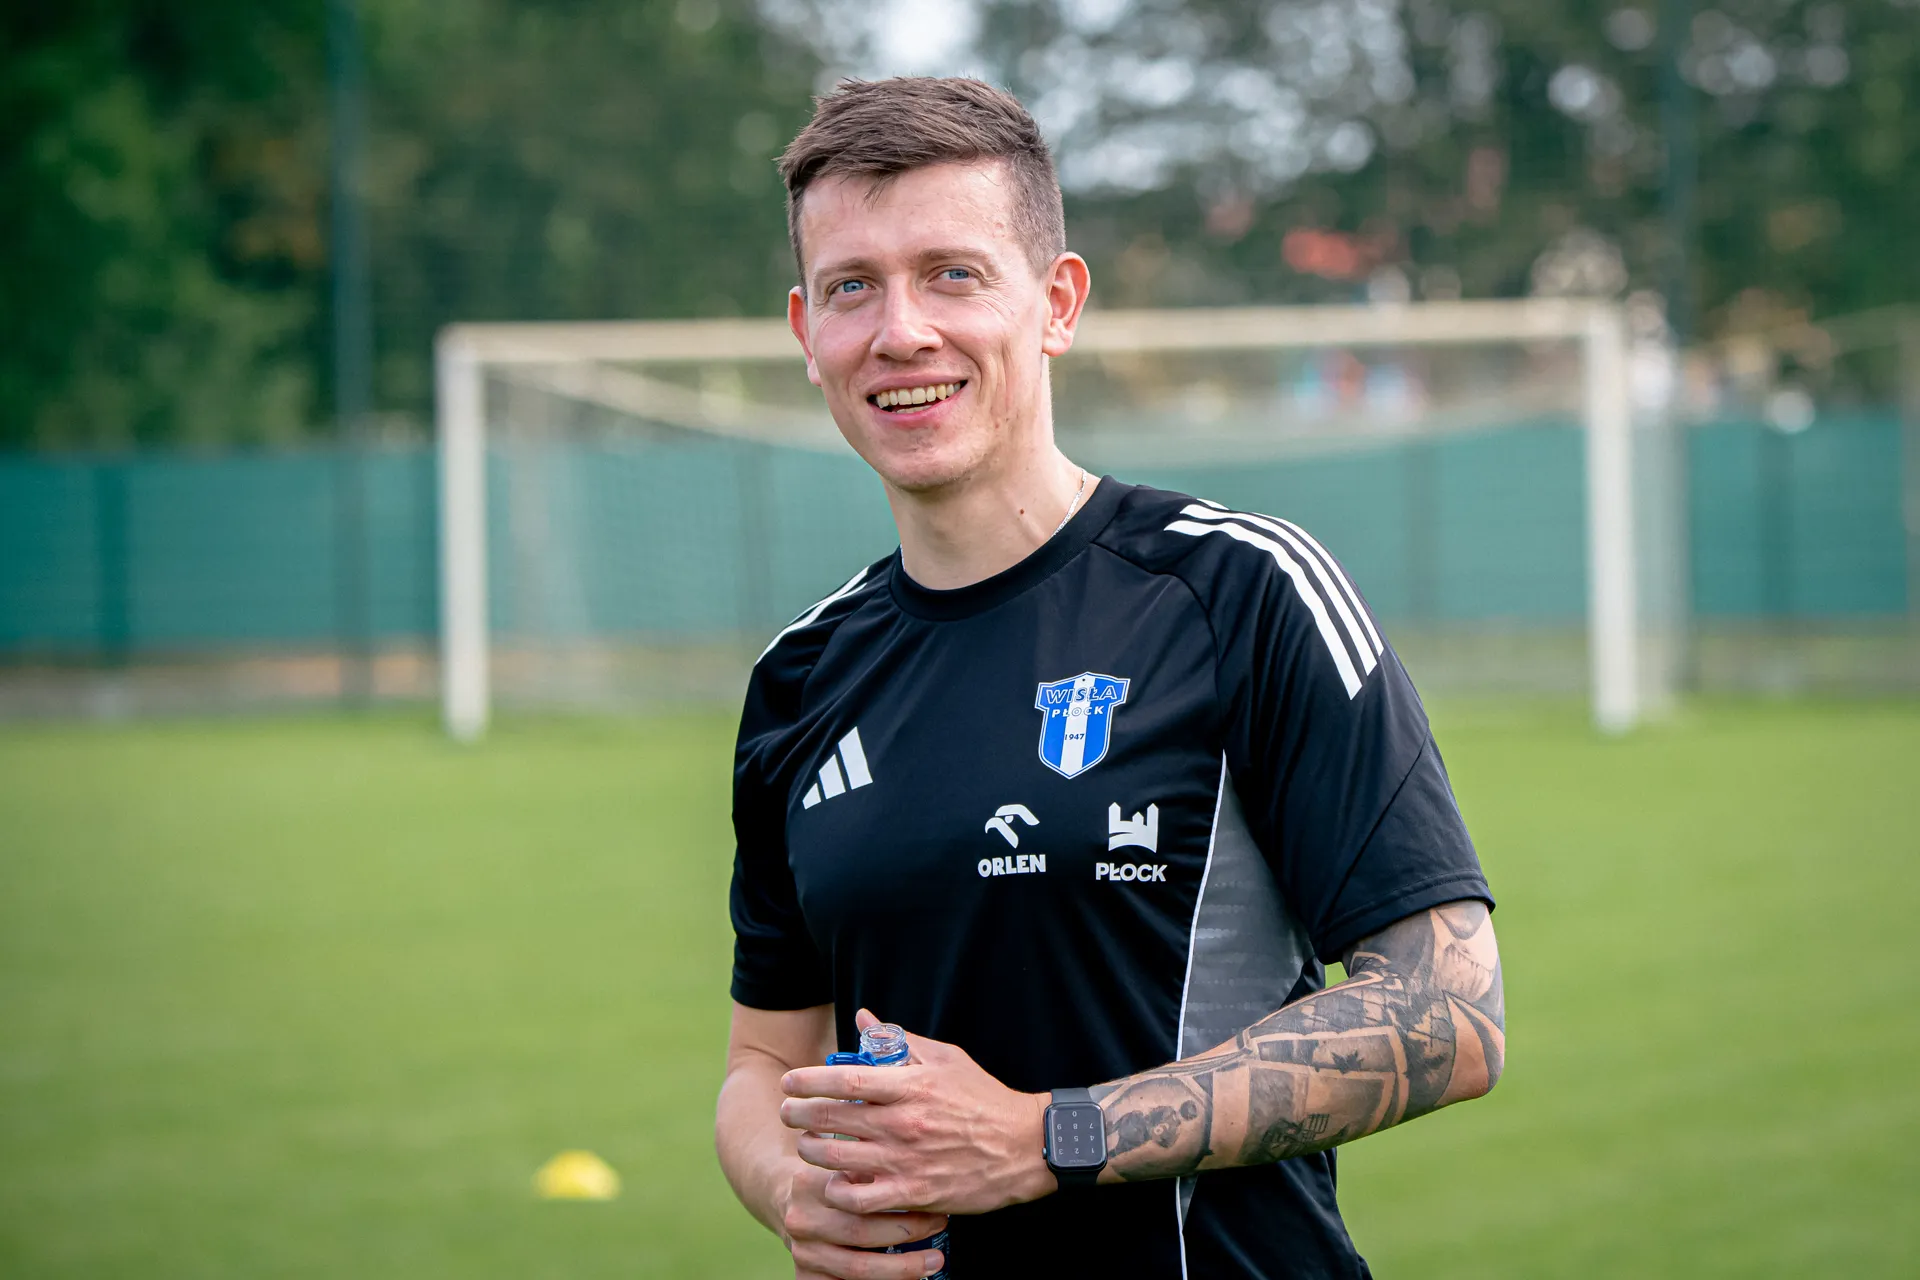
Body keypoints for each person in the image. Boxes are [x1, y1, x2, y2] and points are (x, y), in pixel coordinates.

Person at [713, 77, 1503, 1280]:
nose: (901, 331)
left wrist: (1048, 1135)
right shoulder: (800, 675)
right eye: (851, 287)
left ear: (1058, 303)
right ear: (806, 333)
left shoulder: (1241, 592)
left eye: (953, 274)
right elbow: (763, 1060)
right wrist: (789, 1189)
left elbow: (1448, 1013)